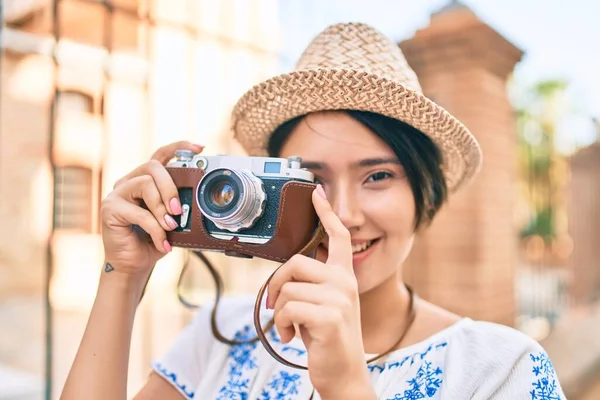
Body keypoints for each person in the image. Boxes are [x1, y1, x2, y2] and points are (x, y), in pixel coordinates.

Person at [61, 23, 566, 400]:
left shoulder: (500, 370)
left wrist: (348, 384)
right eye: (313, 181)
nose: (342, 214)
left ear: (425, 195)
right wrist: (123, 277)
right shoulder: (223, 333)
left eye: (378, 176)